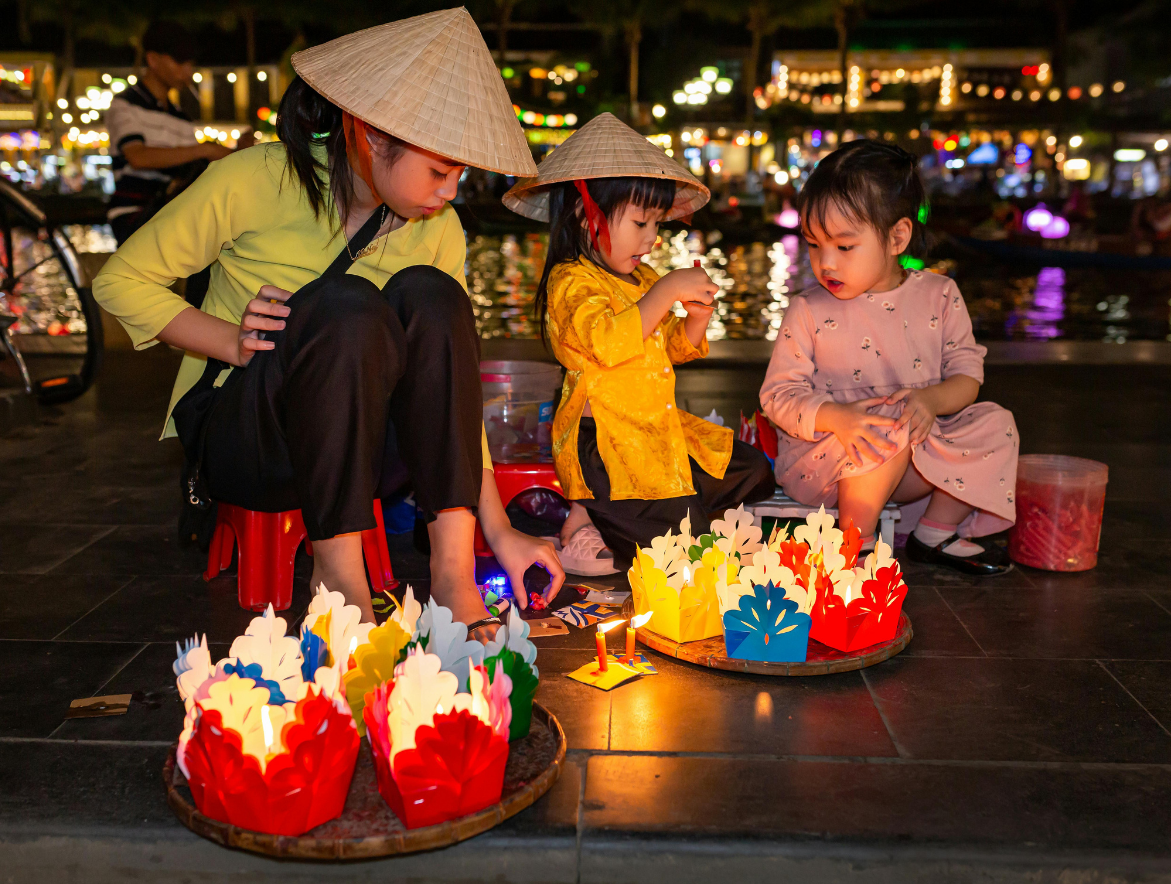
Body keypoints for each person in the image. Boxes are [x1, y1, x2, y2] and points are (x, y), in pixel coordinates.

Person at [93, 8, 563, 638]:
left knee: (433, 295)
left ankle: (452, 571)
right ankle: (339, 578)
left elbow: (449, 389)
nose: (450, 192)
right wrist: (230, 340)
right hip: (253, 438)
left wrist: (500, 530)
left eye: (460, 175)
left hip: (367, 449)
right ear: (370, 135)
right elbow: (118, 280)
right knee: (343, 305)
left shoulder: (438, 229)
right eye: (439, 171)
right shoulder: (257, 177)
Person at [503, 114, 777, 575]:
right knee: (683, 550)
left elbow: (670, 346)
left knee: (753, 469)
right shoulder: (570, 282)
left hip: (655, 435)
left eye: (656, 223)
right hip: (607, 447)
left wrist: (695, 319)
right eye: (640, 222)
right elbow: (610, 343)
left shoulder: (643, 279)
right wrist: (667, 291)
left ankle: (618, 515)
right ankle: (589, 520)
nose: (651, 238)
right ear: (584, 213)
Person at [760, 139, 1018, 576]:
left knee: (996, 423)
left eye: (843, 247)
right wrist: (837, 416)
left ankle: (934, 532)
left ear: (897, 236)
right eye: (814, 244)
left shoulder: (939, 295)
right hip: (828, 463)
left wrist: (931, 402)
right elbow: (778, 396)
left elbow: (967, 377)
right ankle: (852, 548)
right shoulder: (809, 309)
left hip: (919, 459)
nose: (826, 263)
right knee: (886, 423)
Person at [106, 20, 252, 248]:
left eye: (191, 63)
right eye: (180, 62)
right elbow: (138, 157)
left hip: (173, 211)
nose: (188, 71)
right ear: (153, 60)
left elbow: (193, 169)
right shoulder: (125, 105)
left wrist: (237, 153)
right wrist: (205, 149)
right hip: (136, 213)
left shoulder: (182, 118)